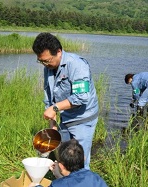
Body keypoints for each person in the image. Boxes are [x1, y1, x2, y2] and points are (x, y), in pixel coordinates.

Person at [32, 33, 99, 170]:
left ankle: (82, 181)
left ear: (58, 52)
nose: (45, 64)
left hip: (83, 118)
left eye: (47, 60)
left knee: (80, 160)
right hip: (66, 116)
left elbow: (81, 97)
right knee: (64, 156)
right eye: (41, 61)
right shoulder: (49, 68)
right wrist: (53, 126)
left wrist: (55, 108)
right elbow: (49, 98)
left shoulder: (77, 65)